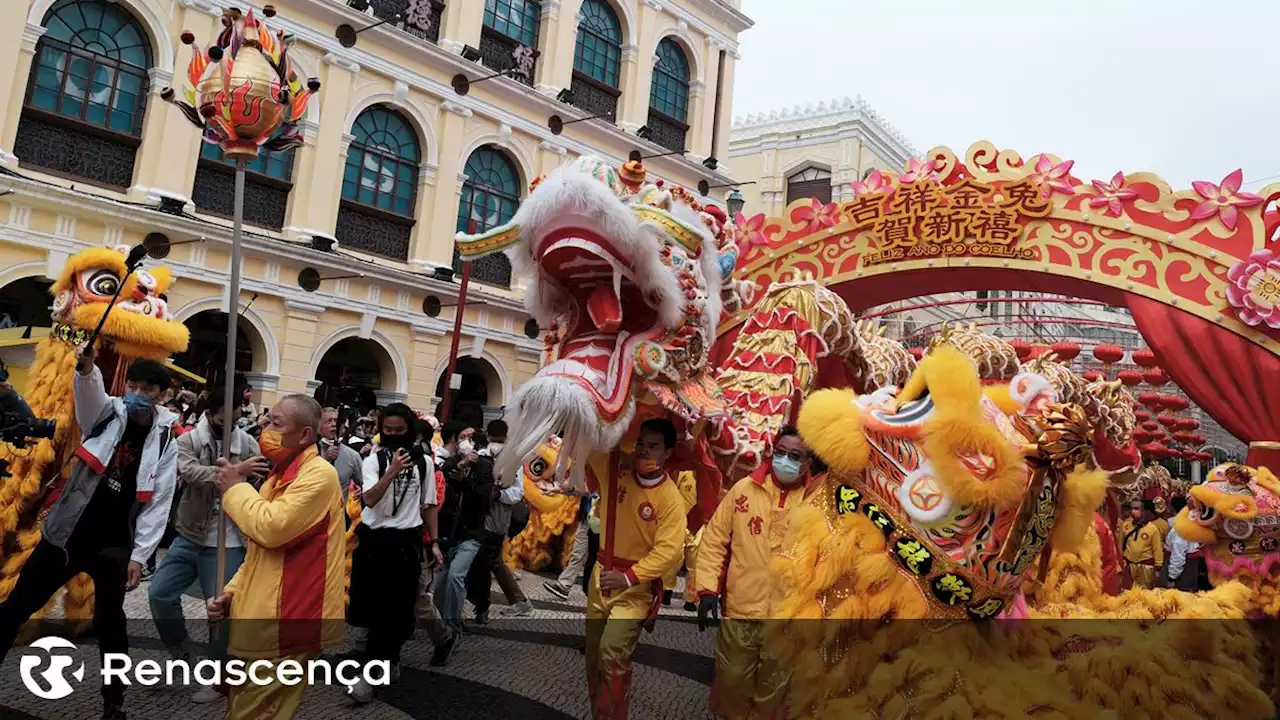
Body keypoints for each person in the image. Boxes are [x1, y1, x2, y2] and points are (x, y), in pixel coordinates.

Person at [0, 346, 179, 720]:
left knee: (111, 625)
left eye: (147, 389)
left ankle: (114, 702)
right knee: (17, 606)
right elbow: (88, 397)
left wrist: (139, 555)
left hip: (114, 543)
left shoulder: (165, 437)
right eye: (132, 384)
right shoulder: (108, 412)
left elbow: (159, 499)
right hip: (69, 531)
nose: (137, 393)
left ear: (161, 393)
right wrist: (86, 369)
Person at [205, 395, 346, 720]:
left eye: (276, 424)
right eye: (266, 421)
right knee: (244, 707)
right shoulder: (278, 478)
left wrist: (235, 489)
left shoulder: (319, 475)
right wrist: (232, 593)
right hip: (262, 616)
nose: (265, 429)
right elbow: (260, 553)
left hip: (290, 618)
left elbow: (272, 528)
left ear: (305, 435)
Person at [694, 426, 820, 719]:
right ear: (771, 451)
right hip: (741, 609)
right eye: (781, 452)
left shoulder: (816, 502)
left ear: (807, 462)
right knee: (733, 682)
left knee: (773, 693)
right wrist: (707, 590)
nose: (785, 460)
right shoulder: (744, 490)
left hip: (785, 620)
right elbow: (714, 540)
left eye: (794, 455)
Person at [148, 385, 261, 703]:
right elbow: (190, 471)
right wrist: (236, 471)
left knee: (221, 612)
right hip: (190, 533)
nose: (228, 420)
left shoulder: (249, 443)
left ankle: (219, 678)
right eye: (220, 415)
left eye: (234, 413)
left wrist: (248, 478)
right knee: (159, 593)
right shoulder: (187, 441)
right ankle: (180, 651)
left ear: (240, 412)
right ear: (209, 413)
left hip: (229, 540)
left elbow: (261, 478)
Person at [585, 418, 686, 720]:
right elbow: (590, 443)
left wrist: (630, 576)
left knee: (612, 654)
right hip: (600, 577)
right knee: (592, 658)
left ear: (667, 453)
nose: (643, 450)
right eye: (641, 443)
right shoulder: (618, 469)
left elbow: (669, 550)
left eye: (653, 446)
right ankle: (599, 714)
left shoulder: (670, 498)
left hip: (635, 588)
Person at [346, 404, 446, 702]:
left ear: (410, 432)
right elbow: (370, 500)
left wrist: (435, 542)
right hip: (375, 541)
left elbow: (428, 505)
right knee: (375, 610)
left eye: (398, 431)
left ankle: (374, 672)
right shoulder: (373, 459)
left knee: (398, 609)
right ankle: (383, 662)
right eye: (387, 431)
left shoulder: (425, 463)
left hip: (405, 542)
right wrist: (390, 472)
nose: (392, 436)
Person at [466, 420, 533, 621]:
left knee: (486, 561)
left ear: (488, 435)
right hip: (486, 517)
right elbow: (517, 493)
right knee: (490, 560)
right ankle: (515, 601)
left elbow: (515, 493)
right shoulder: (485, 456)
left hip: (493, 518)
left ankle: (487, 605)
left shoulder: (510, 459)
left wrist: (495, 495)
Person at [432, 421, 494, 637]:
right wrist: (461, 467)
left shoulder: (485, 466)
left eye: (469, 438)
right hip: (448, 532)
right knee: (439, 583)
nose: (465, 442)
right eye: (462, 437)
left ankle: (453, 626)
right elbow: (444, 476)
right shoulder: (451, 462)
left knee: (456, 576)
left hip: (471, 532)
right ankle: (442, 623)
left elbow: (483, 499)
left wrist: (467, 478)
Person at [1162, 496, 1204, 591]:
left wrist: (1172, 577)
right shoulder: (1190, 524)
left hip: (1183, 574)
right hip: (1189, 569)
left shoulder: (1181, 528)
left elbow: (1178, 555)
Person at [320, 407, 362, 499]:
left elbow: (363, 482)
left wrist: (361, 490)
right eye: (328, 421)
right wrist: (325, 459)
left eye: (337, 421)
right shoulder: (310, 449)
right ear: (319, 426)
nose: (334, 424)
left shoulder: (353, 455)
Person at [1122, 499, 1164, 589]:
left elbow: (1157, 549)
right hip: (1129, 566)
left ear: (1144, 511)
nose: (1133, 511)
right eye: (1132, 508)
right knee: (1127, 594)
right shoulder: (1125, 526)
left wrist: (1158, 567)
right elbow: (1120, 545)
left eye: (1137, 508)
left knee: (1145, 595)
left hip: (1146, 567)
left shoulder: (1153, 529)